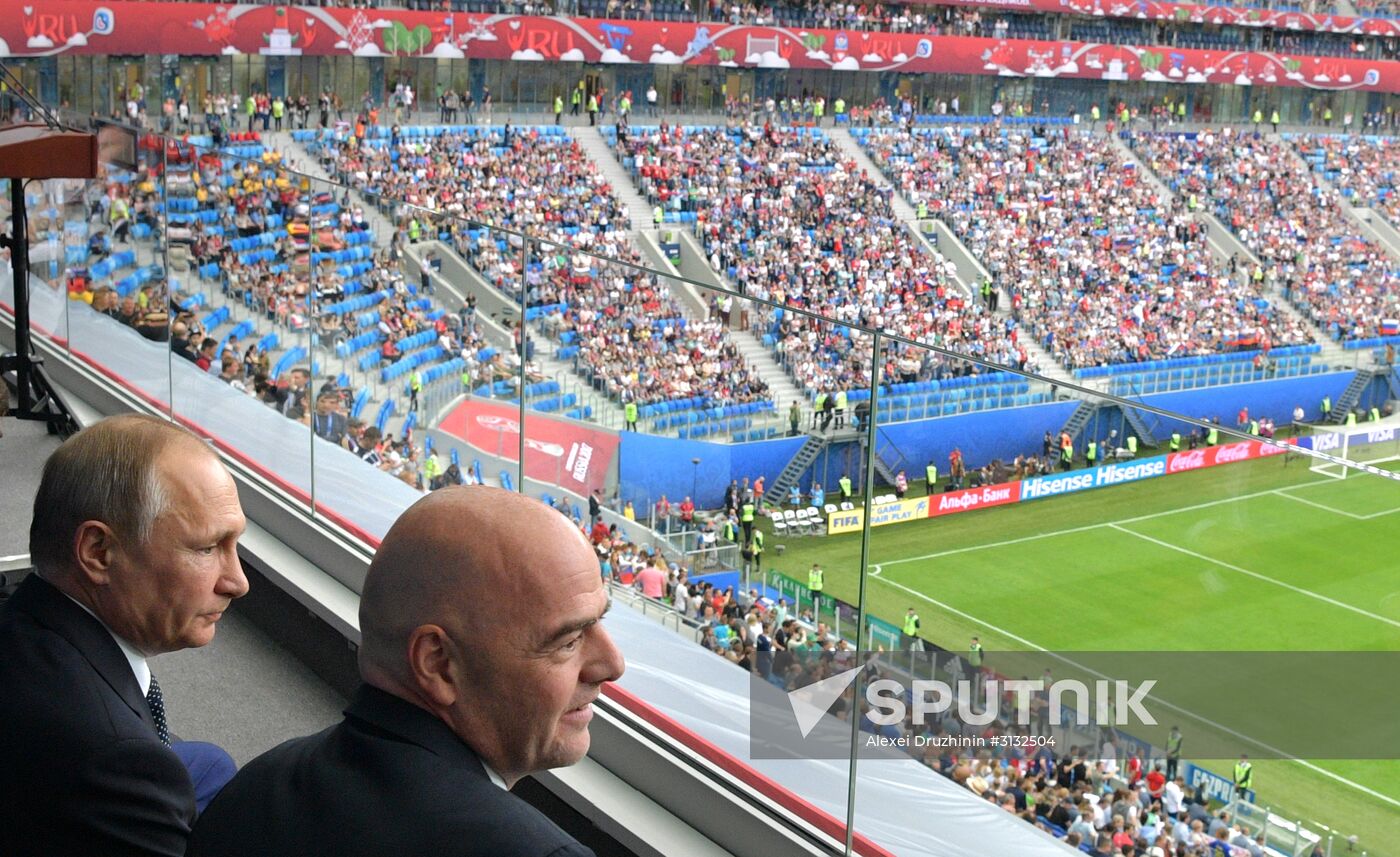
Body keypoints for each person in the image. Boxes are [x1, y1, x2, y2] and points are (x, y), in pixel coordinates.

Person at [189, 487, 622, 856]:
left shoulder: (253, 789)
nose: (612, 665)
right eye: (568, 641)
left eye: (600, 622)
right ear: (437, 664)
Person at [0, 415, 249, 856]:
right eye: (207, 548)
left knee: (211, 764)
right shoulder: (119, 759)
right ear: (99, 553)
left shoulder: (23, 617)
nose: (237, 582)